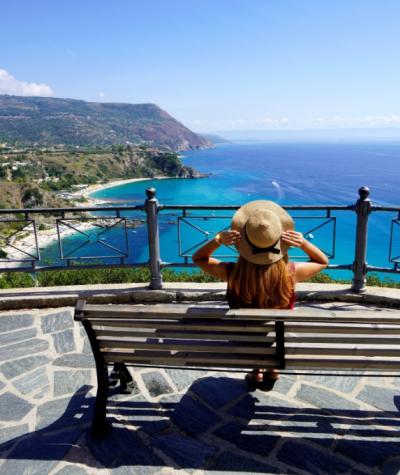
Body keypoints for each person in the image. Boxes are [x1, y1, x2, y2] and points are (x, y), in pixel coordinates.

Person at [192, 200, 329, 390]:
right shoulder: (291, 273)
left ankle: (256, 370)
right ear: (280, 241)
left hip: (243, 341)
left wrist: (218, 240)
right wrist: (303, 243)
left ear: (244, 245)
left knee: (253, 329)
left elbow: (198, 258)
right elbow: (322, 261)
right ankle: (272, 369)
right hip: (278, 341)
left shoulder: (232, 273)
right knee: (270, 330)